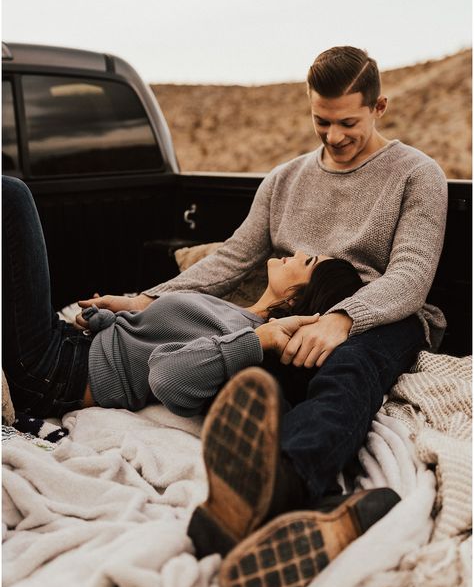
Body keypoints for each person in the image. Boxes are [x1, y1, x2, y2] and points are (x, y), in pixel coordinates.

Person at [76, 45, 448, 587]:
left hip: (380, 312)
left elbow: (410, 278)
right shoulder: (284, 180)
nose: (333, 136)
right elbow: (232, 260)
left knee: (347, 367)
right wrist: (148, 298)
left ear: (380, 108)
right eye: (321, 122)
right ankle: (291, 512)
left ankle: (286, 486)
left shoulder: (417, 175)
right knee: (260, 375)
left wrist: (344, 320)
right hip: (295, 310)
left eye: (348, 122)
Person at [2, 173, 365, 419]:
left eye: (309, 261)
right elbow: (148, 345)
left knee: (12, 197)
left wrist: (258, 339)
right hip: (69, 344)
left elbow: (165, 377)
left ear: (293, 301)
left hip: (54, 374)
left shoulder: (247, 342)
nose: (299, 253)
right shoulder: (237, 314)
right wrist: (112, 318)